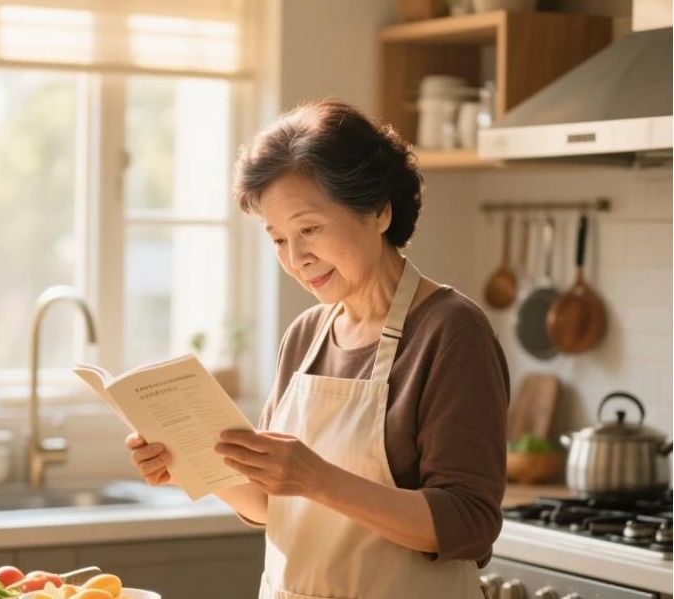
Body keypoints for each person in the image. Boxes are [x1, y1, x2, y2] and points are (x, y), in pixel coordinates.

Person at [126, 99, 508, 599]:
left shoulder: (451, 331)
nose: (297, 259)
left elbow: (470, 522)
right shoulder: (306, 334)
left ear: (378, 210)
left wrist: (316, 478)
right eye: (278, 239)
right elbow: (274, 503)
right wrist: (187, 465)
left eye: (309, 229)